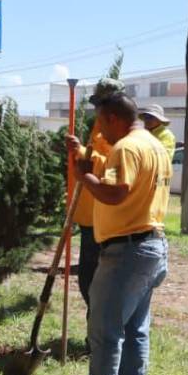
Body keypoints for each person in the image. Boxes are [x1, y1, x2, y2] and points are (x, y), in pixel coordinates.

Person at [53, 93, 170, 375]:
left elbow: (116, 192)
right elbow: (130, 185)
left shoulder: (127, 148)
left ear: (115, 118)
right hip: (151, 246)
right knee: (135, 331)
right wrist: (88, 158)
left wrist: (83, 176)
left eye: (102, 122)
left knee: (105, 332)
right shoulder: (152, 146)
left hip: (127, 253)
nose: (100, 131)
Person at [71, 79, 123, 310]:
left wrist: (80, 151)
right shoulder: (100, 125)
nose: (98, 108)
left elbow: (112, 166)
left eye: (103, 103)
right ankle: (96, 334)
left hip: (104, 217)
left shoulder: (120, 132)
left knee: (96, 282)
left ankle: (100, 337)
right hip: (89, 213)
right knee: (87, 279)